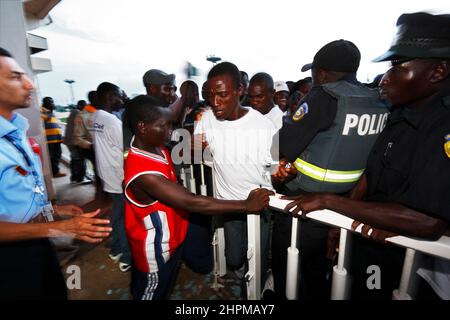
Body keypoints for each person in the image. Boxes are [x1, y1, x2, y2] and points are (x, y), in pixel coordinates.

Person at [281, 12, 450, 300]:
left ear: (438, 72)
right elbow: (372, 173)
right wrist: (342, 220)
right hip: (363, 232)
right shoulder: (397, 112)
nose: (385, 78)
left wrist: (329, 202)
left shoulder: (442, 126)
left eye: (397, 67)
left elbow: (427, 220)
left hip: (410, 258)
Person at [122, 95, 273, 300]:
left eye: (170, 124)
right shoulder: (143, 173)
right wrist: (247, 205)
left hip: (176, 232)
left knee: (201, 264)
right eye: (164, 126)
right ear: (142, 127)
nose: (170, 131)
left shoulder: (153, 144)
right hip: (157, 250)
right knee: (151, 292)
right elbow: (192, 202)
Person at [272, 39, 388, 299]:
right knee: (320, 269)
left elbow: (282, 145)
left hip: (303, 203)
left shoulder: (325, 95)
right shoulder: (376, 99)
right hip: (348, 204)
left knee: (288, 269)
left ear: (321, 73)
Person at [0, 47, 111, 299]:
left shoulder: (16, 133)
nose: (30, 84)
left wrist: (55, 211)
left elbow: (18, 201)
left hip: (35, 243)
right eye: (15, 77)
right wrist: (61, 228)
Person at [194, 62, 277, 294]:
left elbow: (274, 169)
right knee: (234, 256)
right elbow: (202, 154)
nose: (215, 102)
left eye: (222, 94)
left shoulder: (264, 125)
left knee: (258, 257)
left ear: (240, 90)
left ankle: (258, 284)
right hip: (229, 204)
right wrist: (196, 149)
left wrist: (280, 176)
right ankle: (243, 278)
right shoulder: (206, 120)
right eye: (210, 95)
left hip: (259, 205)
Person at [92, 82, 131, 272]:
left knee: (116, 215)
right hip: (119, 175)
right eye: (118, 96)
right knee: (124, 218)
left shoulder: (96, 116)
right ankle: (126, 257)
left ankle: (116, 249)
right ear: (109, 96)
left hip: (107, 174)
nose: (121, 99)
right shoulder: (112, 121)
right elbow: (126, 148)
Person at [63, 100, 91, 184]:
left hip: (69, 140)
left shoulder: (73, 112)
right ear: (80, 106)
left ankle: (74, 178)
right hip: (74, 141)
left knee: (74, 159)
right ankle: (80, 178)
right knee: (79, 159)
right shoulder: (79, 114)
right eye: (85, 106)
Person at [41, 96, 65, 178]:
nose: (53, 103)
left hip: (56, 138)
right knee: (52, 156)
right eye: (51, 102)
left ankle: (55, 171)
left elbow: (53, 125)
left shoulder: (51, 112)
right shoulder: (42, 111)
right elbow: (44, 121)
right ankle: (54, 172)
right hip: (49, 139)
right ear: (45, 103)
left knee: (57, 155)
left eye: (53, 102)